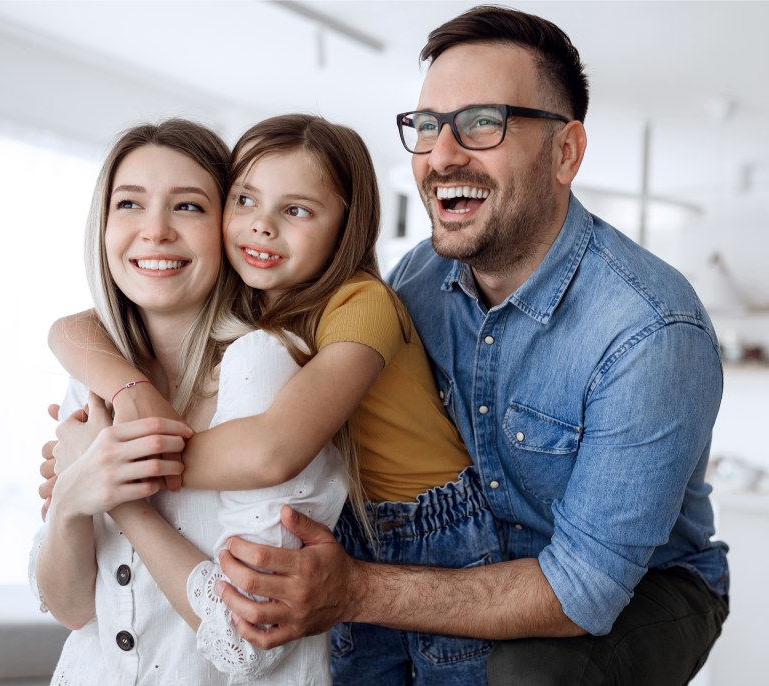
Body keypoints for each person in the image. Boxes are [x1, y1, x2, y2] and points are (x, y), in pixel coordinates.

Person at [207, 6, 730, 685]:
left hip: (643, 587)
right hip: (459, 559)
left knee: (527, 671)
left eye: (483, 123)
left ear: (565, 152)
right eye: (427, 127)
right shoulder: (420, 277)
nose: (443, 155)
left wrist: (354, 589)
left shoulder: (650, 332)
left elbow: (582, 591)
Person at [44, 113, 504, 684]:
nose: (261, 227)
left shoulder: (347, 312)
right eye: (247, 201)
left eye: (296, 210)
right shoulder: (132, 359)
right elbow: (72, 327)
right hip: (357, 533)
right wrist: (90, 466)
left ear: (346, 228)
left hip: (435, 531)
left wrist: (115, 466)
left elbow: (272, 451)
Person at [30, 118, 349, 685]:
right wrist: (75, 499)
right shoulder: (96, 378)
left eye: (188, 207)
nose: (154, 231)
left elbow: (249, 640)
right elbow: (73, 610)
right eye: (129, 204)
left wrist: (114, 489)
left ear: (229, 226)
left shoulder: (263, 371)